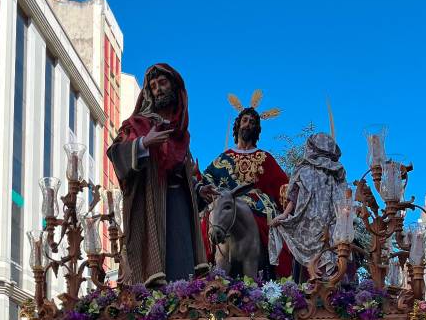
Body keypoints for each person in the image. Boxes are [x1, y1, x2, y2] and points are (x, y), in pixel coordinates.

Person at [107, 64, 208, 288]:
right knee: (156, 271)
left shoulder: (179, 133)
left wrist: (200, 190)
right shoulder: (138, 124)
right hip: (151, 207)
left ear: (174, 86)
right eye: (153, 86)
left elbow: (184, 173)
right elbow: (115, 153)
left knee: (183, 269)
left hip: (180, 206)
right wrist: (143, 143)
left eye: (162, 83)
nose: (158, 89)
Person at [198, 93, 292, 279]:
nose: (248, 124)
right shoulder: (224, 158)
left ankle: (268, 267)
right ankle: (203, 268)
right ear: (238, 124)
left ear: (256, 129)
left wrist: (291, 193)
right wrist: (197, 180)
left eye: (252, 122)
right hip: (226, 201)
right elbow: (207, 180)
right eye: (245, 120)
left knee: (263, 224)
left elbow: (283, 184)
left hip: (258, 204)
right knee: (206, 223)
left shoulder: (265, 158)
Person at [269, 132, 348, 281]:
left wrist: (285, 214)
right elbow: (294, 195)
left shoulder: (332, 171)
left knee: (330, 252)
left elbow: (294, 195)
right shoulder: (334, 170)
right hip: (317, 222)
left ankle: (326, 289)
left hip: (319, 222)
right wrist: (285, 215)